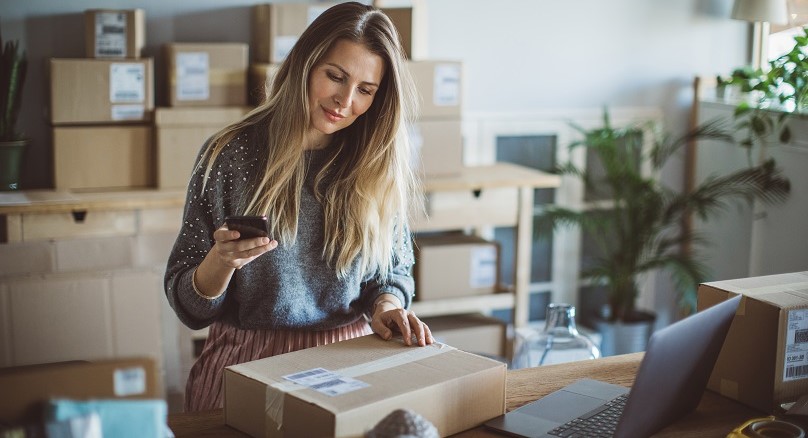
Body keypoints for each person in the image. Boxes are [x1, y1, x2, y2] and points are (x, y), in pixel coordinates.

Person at [164, 1, 434, 412]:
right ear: (305, 64)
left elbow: (391, 273)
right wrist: (221, 262)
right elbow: (189, 307)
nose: (345, 100)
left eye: (365, 90)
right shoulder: (230, 154)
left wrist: (387, 306)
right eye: (335, 77)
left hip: (348, 360)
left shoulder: (376, 167)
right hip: (246, 361)